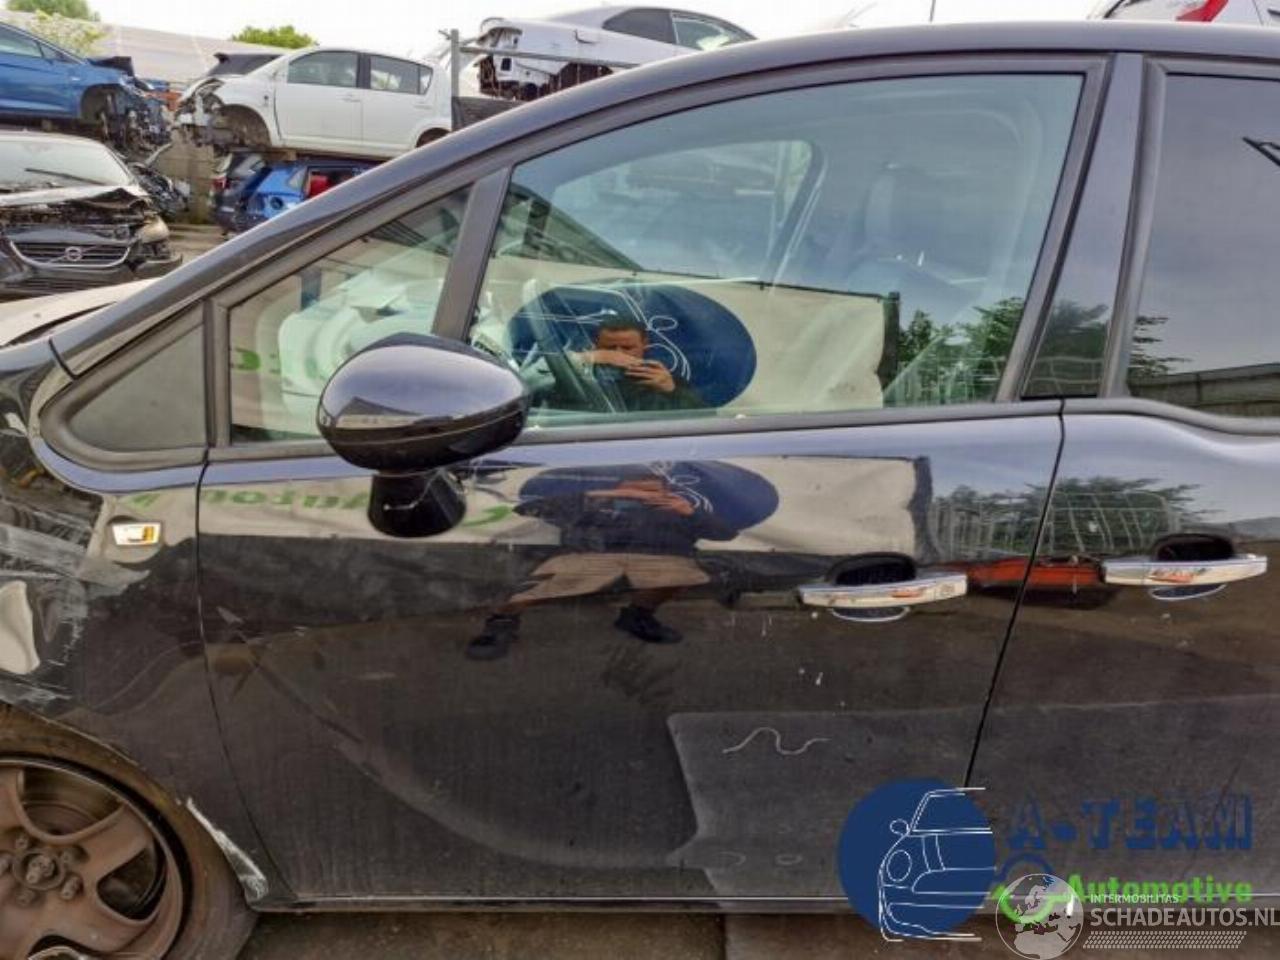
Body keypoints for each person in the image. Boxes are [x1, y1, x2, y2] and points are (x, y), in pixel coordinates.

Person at [466, 472, 737, 661]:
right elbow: (529, 509)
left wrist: (690, 512)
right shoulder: (594, 506)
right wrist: (604, 495)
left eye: (652, 491)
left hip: (659, 557)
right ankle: (501, 623)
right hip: (591, 556)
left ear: (667, 492)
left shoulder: (677, 511)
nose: (640, 497)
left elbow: (726, 534)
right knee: (543, 585)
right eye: (633, 490)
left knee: (680, 575)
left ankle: (638, 616)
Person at [546, 316, 705, 412]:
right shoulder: (574, 374)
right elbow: (536, 382)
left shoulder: (663, 379)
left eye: (628, 348)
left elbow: (701, 419)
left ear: (644, 344)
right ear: (596, 345)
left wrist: (673, 391)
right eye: (609, 348)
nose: (618, 354)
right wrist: (582, 359)